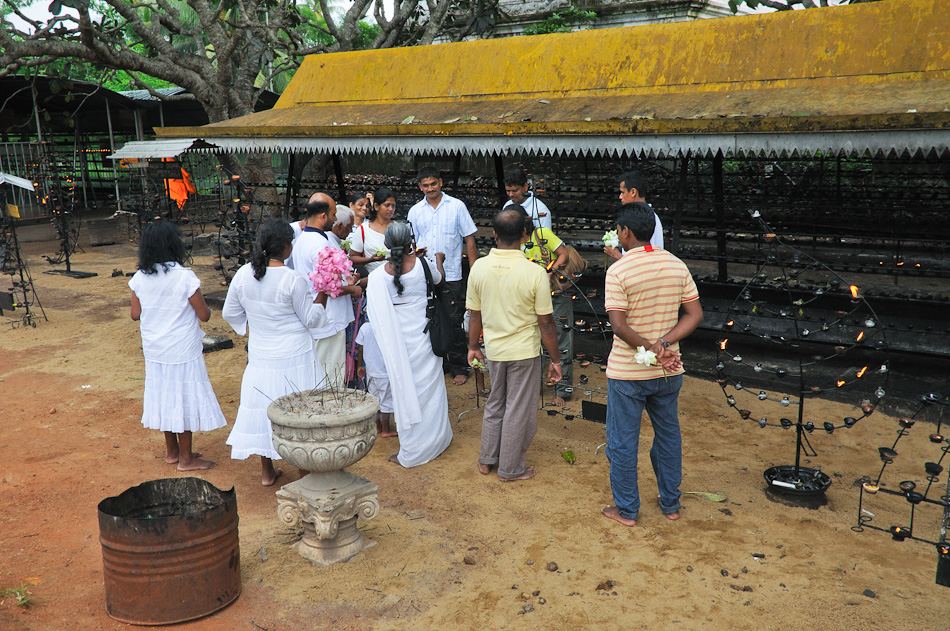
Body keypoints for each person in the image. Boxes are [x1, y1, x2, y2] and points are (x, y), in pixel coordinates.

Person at [601, 203, 703, 526]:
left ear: (625, 233)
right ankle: (670, 503)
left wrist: (649, 346)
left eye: (618, 230)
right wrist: (664, 344)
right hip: (668, 370)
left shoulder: (617, 271)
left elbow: (619, 326)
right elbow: (695, 314)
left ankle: (628, 510)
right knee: (668, 435)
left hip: (627, 373)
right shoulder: (675, 264)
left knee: (622, 441)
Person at [222, 219, 332, 485]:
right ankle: (304, 472)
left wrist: (255, 325)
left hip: (261, 355)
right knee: (300, 413)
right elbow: (312, 319)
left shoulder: (243, 274)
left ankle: (267, 472)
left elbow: (229, 313)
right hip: (295, 356)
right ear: (285, 246)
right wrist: (325, 293)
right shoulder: (292, 279)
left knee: (264, 409)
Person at [467, 209, 562, 482]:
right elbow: (546, 323)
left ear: (494, 235)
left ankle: (487, 459)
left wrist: (474, 346)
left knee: (496, 403)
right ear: (525, 235)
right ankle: (510, 468)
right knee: (518, 409)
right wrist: (555, 360)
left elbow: (475, 314)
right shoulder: (535, 273)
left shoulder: (479, 268)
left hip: (494, 350)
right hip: (524, 351)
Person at [129, 220, 225, 471]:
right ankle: (186, 459)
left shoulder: (139, 277)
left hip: (155, 348)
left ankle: (173, 452)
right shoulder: (184, 277)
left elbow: (135, 314)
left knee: (163, 396)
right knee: (184, 398)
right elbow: (204, 315)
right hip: (182, 348)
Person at [366, 222, 452, 467]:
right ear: (409, 243)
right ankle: (436, 440)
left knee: (405, 390)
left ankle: (412, 448)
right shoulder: (424, 265)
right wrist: (439, 260)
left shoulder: (377, 276)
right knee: (432, 390)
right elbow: (439, 280)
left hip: (398, 343)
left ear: (385, 245)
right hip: (426, 336)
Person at [407, 166, 478, 386]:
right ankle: (437, 364)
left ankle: (459, 366)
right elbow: (412, 244)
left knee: (454, 320)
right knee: (429, 319)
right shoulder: (415, 211)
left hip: (453, 275)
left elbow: (470, 239)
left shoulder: (456, 206)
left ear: (440, 182)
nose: (430, 189)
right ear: (420, 186)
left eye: (433, 184)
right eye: (425, 185)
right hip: (425, 275)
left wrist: (475, 271)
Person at [290, 193, 361, 390]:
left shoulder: (304, 240)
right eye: (333, 214)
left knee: (322, 373)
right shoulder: (319, 244)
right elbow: (327, 287)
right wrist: (352, 289)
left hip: (317, 316)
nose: (335, 219)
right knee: (331, 378)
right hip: (328, 319)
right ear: (323, 216)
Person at [514, 206, 574, 407]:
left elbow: (563, 254)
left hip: (555, 293)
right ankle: (533, 387)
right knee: (534, 341)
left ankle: (561, 390)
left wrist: (549, 272)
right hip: (529, 296)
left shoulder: (541, 234)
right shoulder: (514, 244)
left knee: (562, 338)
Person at [604, 170, 664, 261]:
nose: (620, 197)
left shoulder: (649, 219)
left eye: (623, 192)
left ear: (633, 192)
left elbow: (649, 261)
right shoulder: (637, 217)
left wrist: (618, 256)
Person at [355, 319, 395, 438]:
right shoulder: (387, 325)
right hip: (384, 372)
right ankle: (386, 430)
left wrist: (360, 365)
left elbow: (360, 349)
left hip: (371, 371)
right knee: (386, 401)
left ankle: (377, 426)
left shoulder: (365, 327)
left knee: (375, 399)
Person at [350, 187, 396, 276]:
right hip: (373, 280)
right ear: (376, 206)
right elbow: (353, 257)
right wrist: (371, 259)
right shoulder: (364, 229)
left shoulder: (398, 228)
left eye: (393, 206)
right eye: (387, 205)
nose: (391, 209)